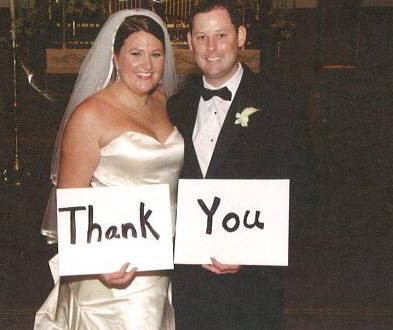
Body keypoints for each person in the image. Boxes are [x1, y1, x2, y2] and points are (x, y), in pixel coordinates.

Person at [34, 9, 183, 329]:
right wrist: (98, 263)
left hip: (159, 261)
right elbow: (70, 200)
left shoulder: (165, 101)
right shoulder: (90, 116)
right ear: (116, 58)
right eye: (136, 54)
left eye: (156, 54)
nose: (147, 65)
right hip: (111, 269)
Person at [168, 1, 306, 329]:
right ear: (189, 42)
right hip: (190, 287)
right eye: (201, 37)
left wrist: (251, 253)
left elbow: (303, 189)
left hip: (253, 289)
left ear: (241, 36)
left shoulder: (279, 101)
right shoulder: (177, 107)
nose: (211, 47)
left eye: (221, 35)